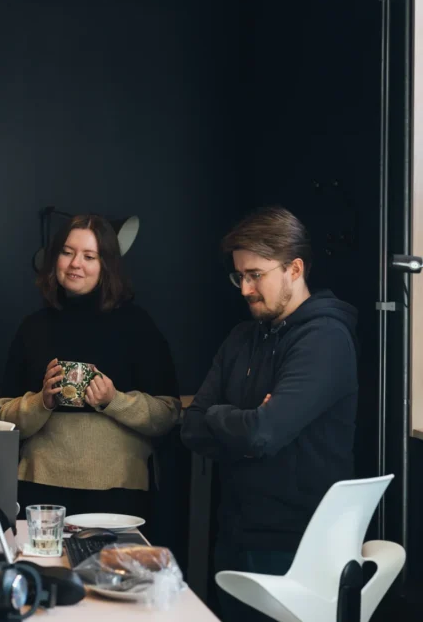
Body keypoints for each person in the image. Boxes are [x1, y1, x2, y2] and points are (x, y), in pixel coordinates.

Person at [181, 206, 357, 622]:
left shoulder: (325, 338)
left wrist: (227, 419)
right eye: (239, 276)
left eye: (255, 274)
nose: (244, 288)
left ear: (294, 269)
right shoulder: (242, 336)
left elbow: (263, 433)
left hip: (298, 547)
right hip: (235, 534)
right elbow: (191, 426)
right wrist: (242, 419)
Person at [0, 214, 180, 519]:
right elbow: (5, 418)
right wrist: (41, 402)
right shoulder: (33, 328)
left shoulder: (137, 326)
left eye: (89, 256)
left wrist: (114, 401)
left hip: (118, 492)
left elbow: (167, 414)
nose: (75, 264)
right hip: (39, 490)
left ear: (106, 265)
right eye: (67, 253)